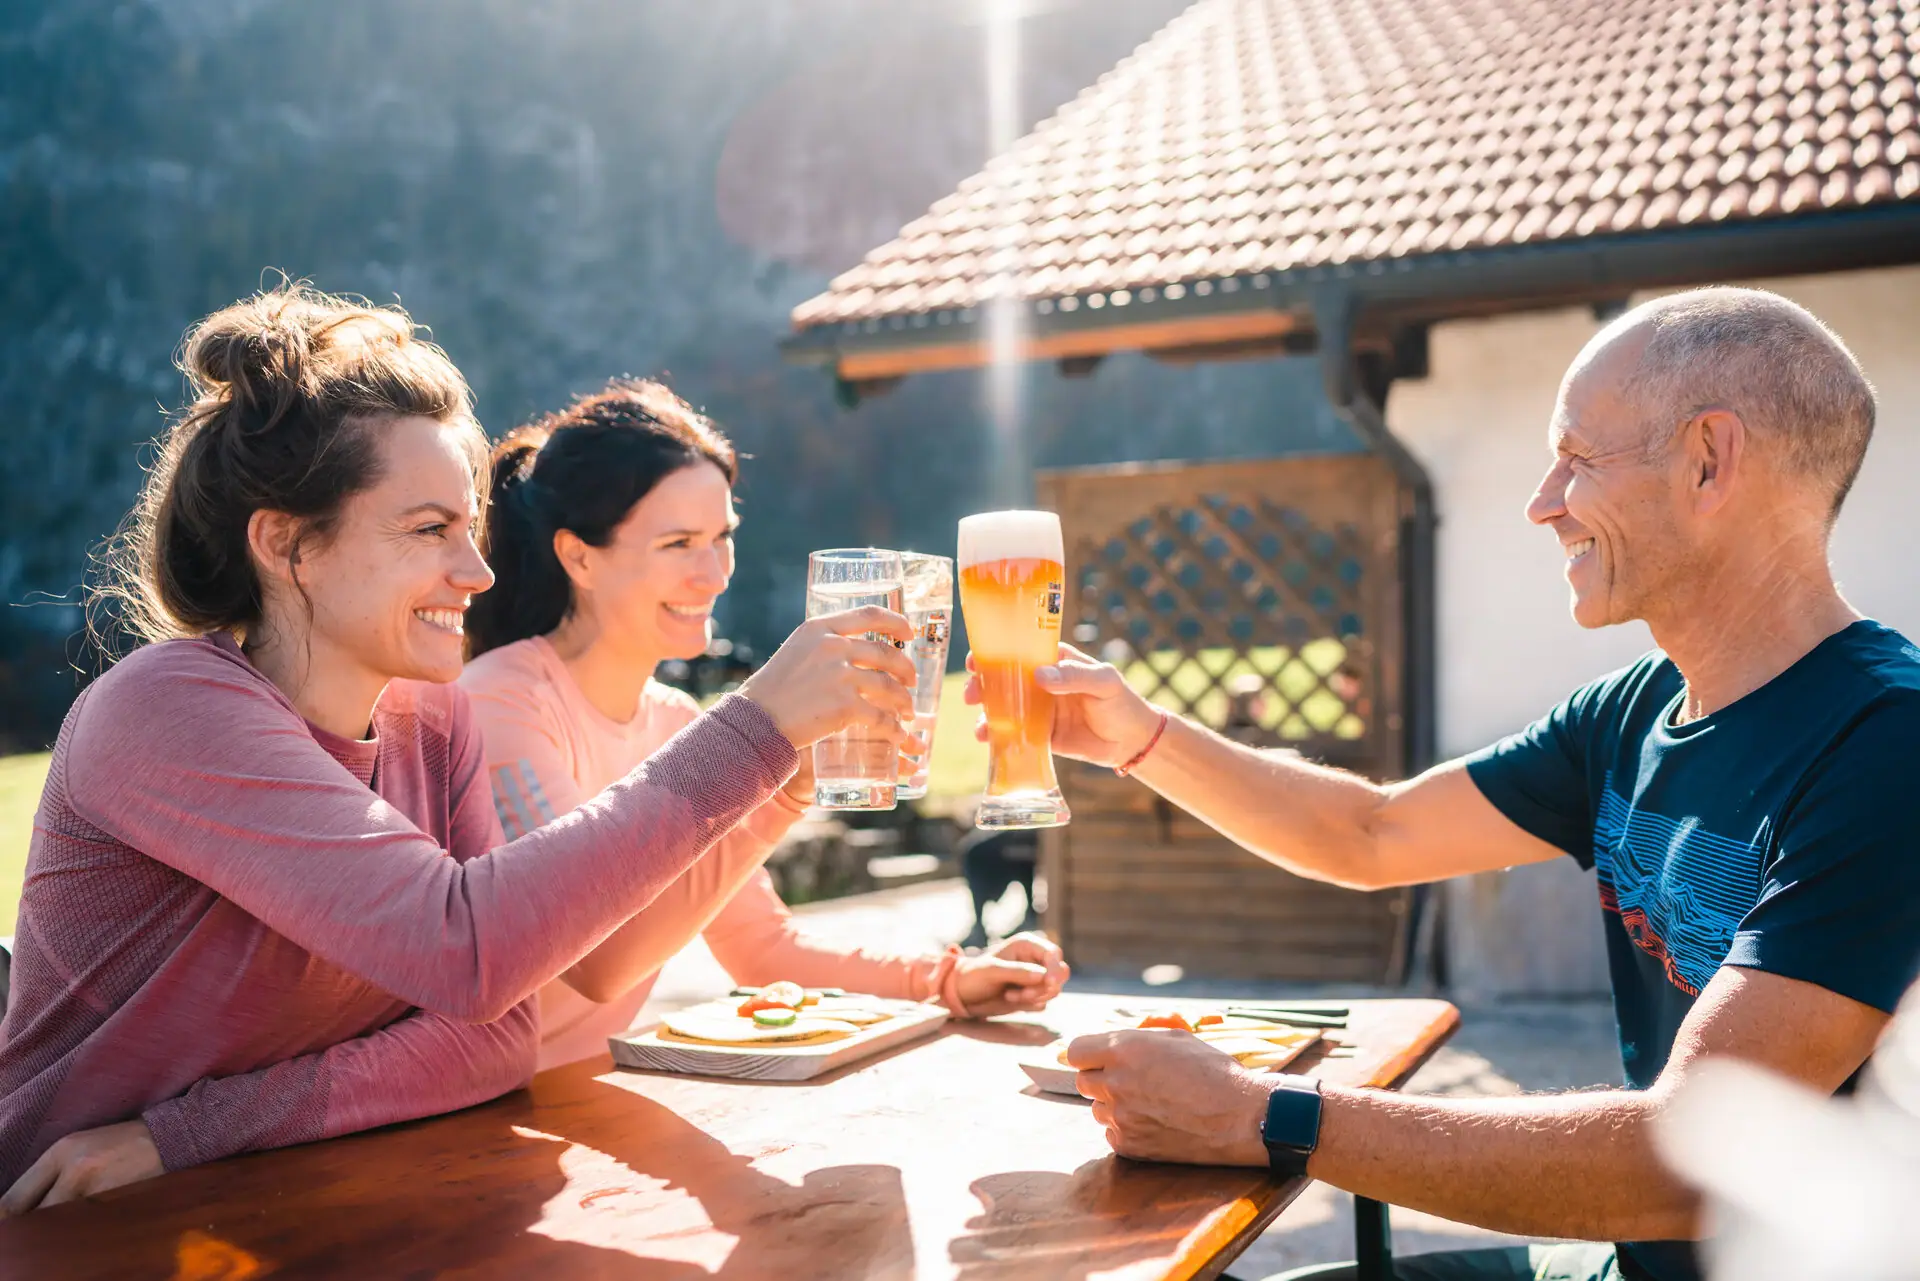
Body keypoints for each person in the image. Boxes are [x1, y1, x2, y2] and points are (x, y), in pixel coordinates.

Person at [971, 288, 1920, 1281]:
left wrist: (1261, 1115)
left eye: (1578, 458)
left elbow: (1688, 1162)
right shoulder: (1632, 709)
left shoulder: (1886, 746)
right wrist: (1140, 737)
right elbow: (1372, 834)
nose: (1542, 500)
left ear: (1708, 462)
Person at [0, 285, 916, 1212]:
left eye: (470, 525)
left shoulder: (435, 723)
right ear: (287, 545)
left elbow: (491, 1033)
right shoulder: (168, 708)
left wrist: (187, 1134)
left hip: (295, 1205)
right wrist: (754, 728)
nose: (477, 572)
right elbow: (468, 946)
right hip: (72, 1225)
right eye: (430, 529)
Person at [460, 379, 1068, 1069]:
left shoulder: (673, 720)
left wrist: (949, 979)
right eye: (680, 542)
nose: (715, 572)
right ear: (578, 556)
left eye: (723, 537)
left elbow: (763, 950)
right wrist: (770, 769)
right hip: (465, 1128)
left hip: (583, 1103)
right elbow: (598, 962)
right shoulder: (499, 706)